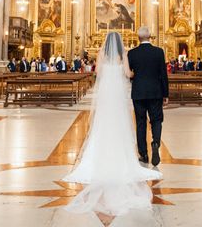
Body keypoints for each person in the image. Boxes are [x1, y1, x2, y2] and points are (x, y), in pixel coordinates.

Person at [63, 32, 161, 216]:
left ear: (106, 42)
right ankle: (121, 157)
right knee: (120, 126)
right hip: (117, 95)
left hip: (106, 93)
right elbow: (127, 73)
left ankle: (100, 155)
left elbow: (98, 72)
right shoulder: (123, 54)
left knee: (102, 125)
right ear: (119, 42)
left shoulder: (101, 54)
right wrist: (135, 72)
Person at [127, 26, 169, 167]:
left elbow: (129, 74)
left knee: (140, 123)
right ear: (150, 37)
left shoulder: (132, 53)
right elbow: (163, 74)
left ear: (138, 38)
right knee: (156, 120)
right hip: (155, 92)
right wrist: (165, 94)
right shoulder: (158, 52)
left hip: (138, 92)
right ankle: (155, 142)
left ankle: (143, 154)